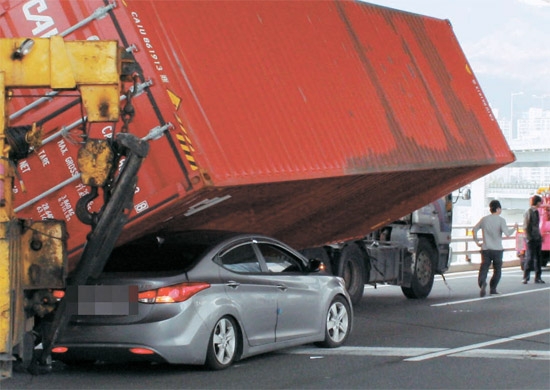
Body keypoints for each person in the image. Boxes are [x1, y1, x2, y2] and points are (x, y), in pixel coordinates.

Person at [473, 200, 518, 297]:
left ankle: (482, 283)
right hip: (497, 249)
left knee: (484, 268)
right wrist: (514, 228)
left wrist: (477, 241)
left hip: (486, 249)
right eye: (500, 209)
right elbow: (507, 233)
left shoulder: (484, 219)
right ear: (497, 209)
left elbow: (474, 229)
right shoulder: (501, 220)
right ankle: (493, 288)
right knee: (497, 270)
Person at [522, 194, 544, 284]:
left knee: (538, 258)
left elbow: (537, 226)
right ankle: (525, 277)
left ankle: (538, 277)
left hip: (537, 237)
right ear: (537, 202)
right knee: (529, 257)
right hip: (530, 239)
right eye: (540, 202)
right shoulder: (529, 212)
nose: (541, 204)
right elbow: (526, 226)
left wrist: (539, 236)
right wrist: (529, 238)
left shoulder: (536, 212)